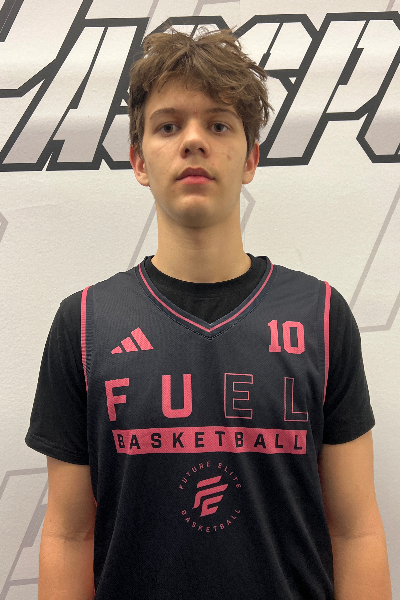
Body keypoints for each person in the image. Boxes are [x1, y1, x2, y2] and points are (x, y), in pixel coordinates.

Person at [25, 23, 392, 600]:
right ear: (138, 161)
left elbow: (356, 530)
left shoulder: (321, 316)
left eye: (218, 124)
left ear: (249, 159)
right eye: (168, 125)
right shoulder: (86, 323)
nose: (193, 141)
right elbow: (70, 534)